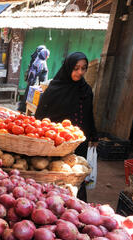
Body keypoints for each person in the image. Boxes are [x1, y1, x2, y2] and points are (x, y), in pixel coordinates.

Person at [35, 52, 98, 202]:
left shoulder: (86, 90)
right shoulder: (55, 88)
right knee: (56, 172)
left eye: (83, 68)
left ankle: (76, 203)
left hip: (79, 140)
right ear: (68, 67)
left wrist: (94, 135)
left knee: (75, 173)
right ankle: (51, 202)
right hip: (58, 140)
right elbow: (40, 116)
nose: (80, 72)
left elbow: (89, 114)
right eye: (76, 68)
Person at [18, 48, 50, 113]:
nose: (48, 57)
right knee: (33, 100)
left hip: (31, 82)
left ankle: (22, 109)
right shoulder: (42, 63)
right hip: (36, 84)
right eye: (47, 55)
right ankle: (28, 111)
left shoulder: (36, 60)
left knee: (27, 95)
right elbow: (42, 78)